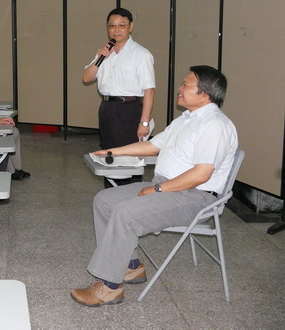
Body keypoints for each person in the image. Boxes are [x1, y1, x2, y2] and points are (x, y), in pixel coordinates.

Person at [71, 65, 238, 307]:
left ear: (205, 94)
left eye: (185, 85)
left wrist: (158, 189)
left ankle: (110, 287)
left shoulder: (215, 125)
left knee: (125, 213)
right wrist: (110, 151)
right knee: (105, 200)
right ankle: (130, 266)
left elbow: (201, 175)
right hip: (169, 187)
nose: (179, 89)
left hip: (195, 197)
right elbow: (152, 146)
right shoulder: (187, 119)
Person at [83, 7, 155, 187]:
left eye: (122, 25)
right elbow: (86, 78)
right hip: (107, 108)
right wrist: (100, 58)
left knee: (129, 158)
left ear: (130, 27)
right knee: (109, 156)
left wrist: (144, 123)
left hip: (129, 110)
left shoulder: (141, 54)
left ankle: (130, 199)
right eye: (112, 26)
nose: (116, 30)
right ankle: (110, 195)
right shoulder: (104, 52)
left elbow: (149, 90)